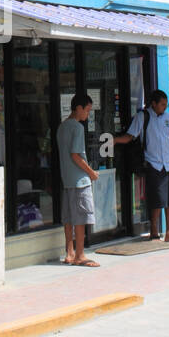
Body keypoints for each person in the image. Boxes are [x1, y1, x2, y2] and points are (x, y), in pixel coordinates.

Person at [115, 89, 169, 244]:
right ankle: (154, 232)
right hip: (154, 162)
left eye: (166, 105)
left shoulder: (167, 117)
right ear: (153, 104)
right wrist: (113, 140)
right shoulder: (143, 117)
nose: (164, 107)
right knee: (157, 199)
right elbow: (130, 136)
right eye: (162, 104)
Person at [57, 93, 99, 267]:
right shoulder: (77, 128)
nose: (87, 115)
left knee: (68, 218)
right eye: (87, 110)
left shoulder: (62, 127)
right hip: (80, 180)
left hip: (67, 180)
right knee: (81, 218)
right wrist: (91, 172)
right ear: (79, 108)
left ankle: (70, 252)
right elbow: (76, 155)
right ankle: (80, 255)